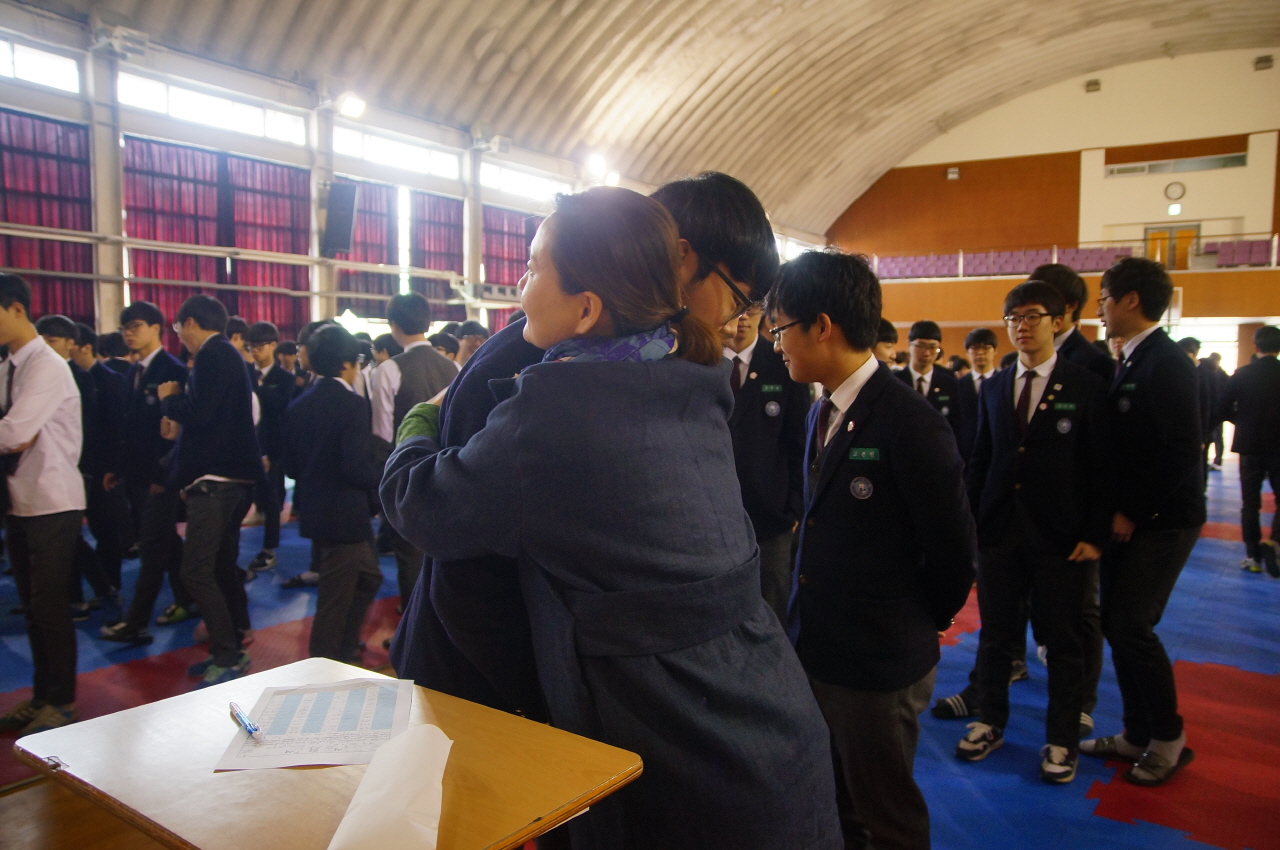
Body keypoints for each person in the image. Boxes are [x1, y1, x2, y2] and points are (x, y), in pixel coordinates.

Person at [382, 186, 840, 850]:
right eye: (738, 295)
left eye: (535, 267)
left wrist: (421, 417)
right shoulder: (692, 366)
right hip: (758, 704)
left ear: (587, 305)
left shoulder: (550, 393)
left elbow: (429, 513)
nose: (519, 284)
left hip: (658, 717)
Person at [390, 170, 786, 725]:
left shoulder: (662, 366)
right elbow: (467, 570)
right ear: (681, 258)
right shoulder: (536, 367)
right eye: (741, 297)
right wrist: (535, 703)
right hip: (492, 691)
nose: (739, 322)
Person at [766, 251, 975, 850]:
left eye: (781, 328)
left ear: (822, 326)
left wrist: (913, 624)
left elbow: (955, 548)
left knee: (887, 810)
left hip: (879, 661)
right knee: (838, 799)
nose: (776, 343)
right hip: (823, 645)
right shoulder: (823, 410)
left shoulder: (908, 421)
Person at [955, 281, 1111, 785]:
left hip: (1061, 538)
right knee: (997, 637)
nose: (1022, 327)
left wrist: (1094, 533)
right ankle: (989, 720)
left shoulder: (1083, 384)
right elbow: (983, 456)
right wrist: (972, 519)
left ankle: (1062, 739)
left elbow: (1100, 465)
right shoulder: (997, 385)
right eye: (1013, 319)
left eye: (1033, 317)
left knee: (1062, 642)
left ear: (1058, 321)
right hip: (1001, 533)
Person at [1081, 257, 1204, 786]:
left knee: (1132, 625)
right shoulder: (1132, 358)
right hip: (1132, 520)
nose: (1101, 308)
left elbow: (1180, 451)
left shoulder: (1166, 362)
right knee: (1116, 623)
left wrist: (1134, 512)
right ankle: (1135, 731)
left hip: (1162, 521)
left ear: (1131, 300)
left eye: (1105, 297)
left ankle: (1168, 736)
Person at [158, 295, 262, 687]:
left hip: (218, 483)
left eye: (177, 328)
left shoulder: (212, 354)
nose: (179, 337)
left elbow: (199, 413)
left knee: (196, 570)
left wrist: (169, 400)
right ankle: (231, 643)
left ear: (187, 323)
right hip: (226, 480)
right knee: (217, 566)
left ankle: (228, 653)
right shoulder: (225, 354)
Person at [0, 275, 87, 735]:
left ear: (16, 309)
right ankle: (41, 695)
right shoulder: (10, 365)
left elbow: (14, 433)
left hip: (53, 500)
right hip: (20, 500)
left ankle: (64, 700)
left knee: (51, 605)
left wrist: (13, 433)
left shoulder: (47, 365)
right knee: (33, 607)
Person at [283, 325, 382, 663]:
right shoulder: (352, 405)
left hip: (316, 507)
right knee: (334, 599)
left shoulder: (299, 405)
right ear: (346, 364)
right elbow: (355, 467)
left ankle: (346, 645)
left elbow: (291, 467)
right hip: (345, 513)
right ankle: (325, 665)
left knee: (369, 578)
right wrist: (385, 477)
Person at [99, 302, 191, 645]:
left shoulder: (172, 370)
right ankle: (188, 597)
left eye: (136, 326)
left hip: (160, 477)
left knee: (152, 546)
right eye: (125, 327)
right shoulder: (132, 371)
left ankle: (136, 622)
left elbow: (174, 432)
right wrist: (117, 469)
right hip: (136, 474)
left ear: (157, 328)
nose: (129, 333)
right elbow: (131, 428)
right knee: (165, 541)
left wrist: (162, 476)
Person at [723, 303, 810, 622]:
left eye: (752, 309)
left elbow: (799, 441)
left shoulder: (782, 362)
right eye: (736, 308)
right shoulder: (702, 360)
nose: (742, 318)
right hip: (715, 513)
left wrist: (793, 508)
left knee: (772, 607)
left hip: (771, 516)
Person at [370, 293, 456, 608]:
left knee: (408, 552)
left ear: (393, 326)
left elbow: (381, 432)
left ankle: (410, 618)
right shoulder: (454, 366)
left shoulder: (389, 369)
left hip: (406, 468)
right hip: (447, 469)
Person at [1215, 326, 1280, 575]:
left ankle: (1253, 555)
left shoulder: (1242, 374)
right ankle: (1275, 542)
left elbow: (1221, 409)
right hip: (1279, 447)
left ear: (1255, 347)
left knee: (1249, 504)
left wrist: (1240, 420)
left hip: (1249, 445)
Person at [243, 321, 293, 574]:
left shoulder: (284, 378)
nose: (255, 351)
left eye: (259, 346)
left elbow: (281, 408)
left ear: (273, 345)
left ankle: (270, 548)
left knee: (273, 497)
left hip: (274, 446)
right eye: (250, 346)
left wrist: (259, 391)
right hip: (248, 444)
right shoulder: (245, 374)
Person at [1030, 263, 1114, 382]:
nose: (1035, 311)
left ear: (1071, 306)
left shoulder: (1095, 363)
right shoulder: (1027, 356)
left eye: (1044, 301)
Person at [896, 320, 961, 435]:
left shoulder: (949, 383)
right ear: (909, 345)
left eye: (932, 347)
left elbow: (957, 425)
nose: (926, 353)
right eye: (920, 346)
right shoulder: (895, 381)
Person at [955, 327, 999, 464]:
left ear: (995, 351)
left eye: (986, 348)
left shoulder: (1004, 383)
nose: (980, 353)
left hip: (996, 453)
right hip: (965, 455)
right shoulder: (957, 386)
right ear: (967, 353)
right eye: (974, 348)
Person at [1203, 352, 1228, 469]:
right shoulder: (1212, 374)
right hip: (1214, 408)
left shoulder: (1221, 374)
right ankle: (1210, 460)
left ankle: (1217, 460)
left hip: (1216, 409)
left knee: (1217, 436)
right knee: (1212, 436)